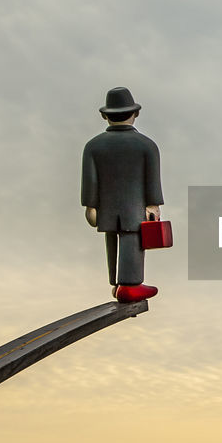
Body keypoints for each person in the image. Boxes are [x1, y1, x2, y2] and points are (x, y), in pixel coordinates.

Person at [81, 87, 163, 302]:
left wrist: (90, 205)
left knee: (112, 240)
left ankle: (116, 283)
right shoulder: (147, 145)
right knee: (132, 240)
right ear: (135, 114)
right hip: (134, 206)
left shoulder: (93, 146)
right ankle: (130, 284)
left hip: (106, 206)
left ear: (105, 115)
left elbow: (90, 180)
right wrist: (153, 204)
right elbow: (152, 179)